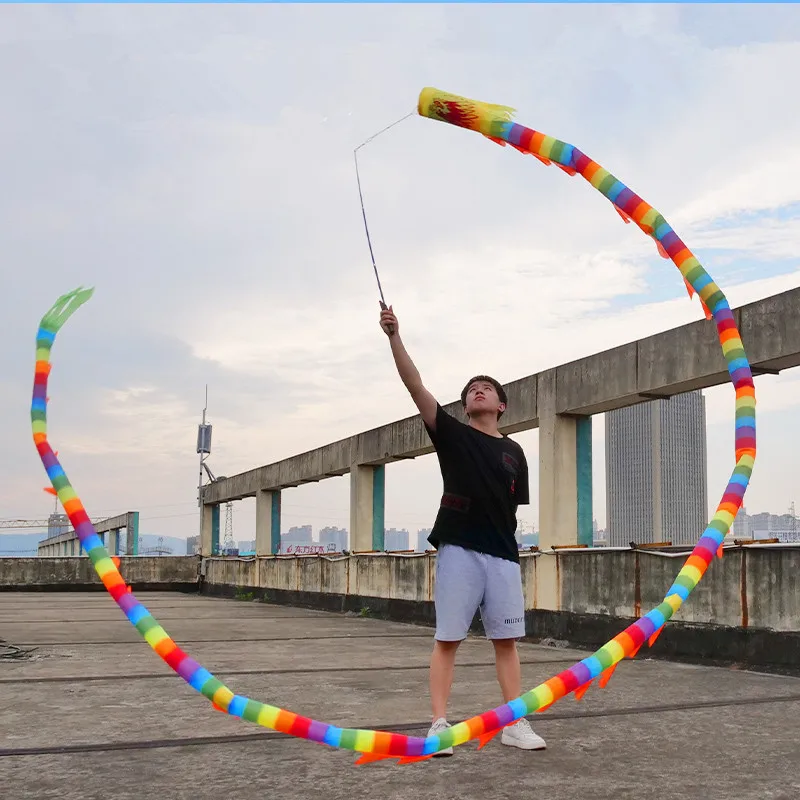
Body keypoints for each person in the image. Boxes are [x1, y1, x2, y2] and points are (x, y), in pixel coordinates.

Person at [379, 304, 546, 755]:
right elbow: (415, 385)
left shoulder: (515, 452)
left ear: (500, 405)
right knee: (448, 638)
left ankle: (513, 721)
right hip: (458, 549)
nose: (478, 390)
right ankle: (438, 724)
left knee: (507, 641)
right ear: (465, 405)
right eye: (472, 389)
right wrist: (395, 336)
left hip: (503, 555)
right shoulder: (452, 433)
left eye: (486, 388)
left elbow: (511, 507)